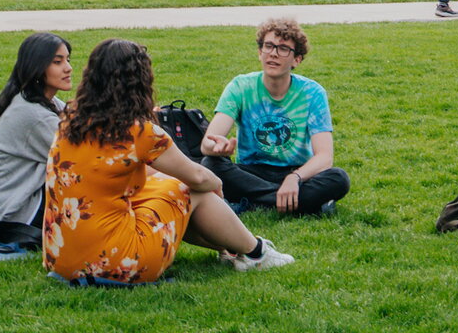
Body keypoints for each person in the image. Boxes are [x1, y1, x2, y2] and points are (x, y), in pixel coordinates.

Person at [45, 38, 294, 284]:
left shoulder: (71, 117)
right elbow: (197, 176)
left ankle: (234, 249)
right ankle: (256, 252)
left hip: (61, 258)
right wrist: (215, 183)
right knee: (189, 189)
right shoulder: (139, 132)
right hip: (117, 264)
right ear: (140, 81)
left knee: (170, 184)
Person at [199, 16, 350, 216]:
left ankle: (253, 202)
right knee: (210, 164)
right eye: (268, 46)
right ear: (260, 52)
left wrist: (294, 178)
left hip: (296, 172)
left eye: (283, 48)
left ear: (297, 59)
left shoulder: (312, 92)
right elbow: (206, 145)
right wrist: (216, 148)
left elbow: (324, 157)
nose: (273, 54)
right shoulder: (240, 87)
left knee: (339, 178)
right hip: (251, 171)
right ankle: (299, 204)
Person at [0, 33, 73, 246]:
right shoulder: (34, 116)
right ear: (37, 68)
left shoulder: (39, 100)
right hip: (13, 215)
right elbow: (81, 157)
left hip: (4, 205)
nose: (68, 68)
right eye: (58, 62)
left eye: (67, 60)